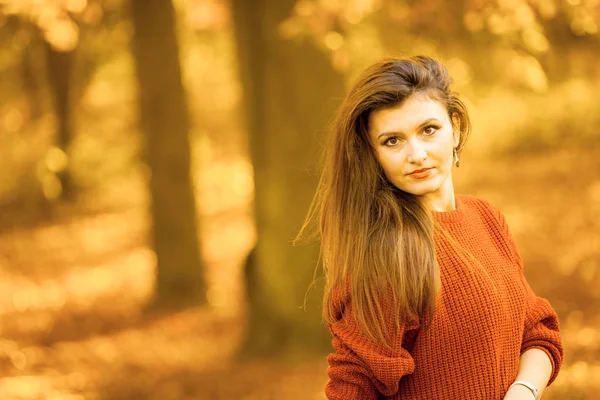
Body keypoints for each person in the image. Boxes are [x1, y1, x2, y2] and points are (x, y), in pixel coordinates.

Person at [301, 56, 563, 399]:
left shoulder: (485, 218)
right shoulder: (386, 253)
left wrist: (524, 390)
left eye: (429, 130)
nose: (418, 154)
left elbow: (537, 332)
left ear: (454, 128)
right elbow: (354, 383)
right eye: (392, 140)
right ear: (374, 154)